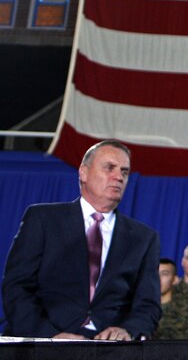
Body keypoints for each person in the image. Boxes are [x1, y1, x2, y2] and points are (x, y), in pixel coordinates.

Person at [1, 140, 161, 340]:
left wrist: (127, 330)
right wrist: (50, 335)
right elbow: (17, 287)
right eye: (109, 168)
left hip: (109, 353)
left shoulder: (143, 238)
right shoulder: (43, 220)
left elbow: (148, 305)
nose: (119, 177)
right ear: (83, 173)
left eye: (125, 172)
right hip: (44, 345)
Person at [153, 257, 187, 340]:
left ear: (175, 280)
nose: (158, 279)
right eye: (155, 274)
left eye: (164, 274)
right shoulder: (139, 310)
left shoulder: (185, 311)